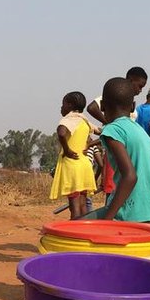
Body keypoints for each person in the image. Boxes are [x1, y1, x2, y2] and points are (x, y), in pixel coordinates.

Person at [99, 77, 150, 222]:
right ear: (133, 106)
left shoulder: (112, 130)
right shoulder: (139, 131)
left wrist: (106, 220)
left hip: (131, 214)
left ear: (102, 106)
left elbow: (130, 176)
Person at [87, 67, 148, 201]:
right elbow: (91, 107)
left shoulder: (132, 108)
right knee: (114, 183)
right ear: (131, 80)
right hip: (117, 144)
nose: (140, 90)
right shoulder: (114, 92)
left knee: (127, 180)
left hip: (129, 148)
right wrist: (110, 124)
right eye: (139, 86)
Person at [50, 91, 98, 219]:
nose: (61, 107)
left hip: (72, 165)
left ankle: (74, 232)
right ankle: (84, 231)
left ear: (70, 105)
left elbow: (61, 132)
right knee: (83, 204)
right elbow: (103, 132)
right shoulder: (85, 121)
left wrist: (66, 150)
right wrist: (90, 145)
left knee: (74, 206)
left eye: (63, 104)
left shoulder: (69, 119)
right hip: (85, 166)